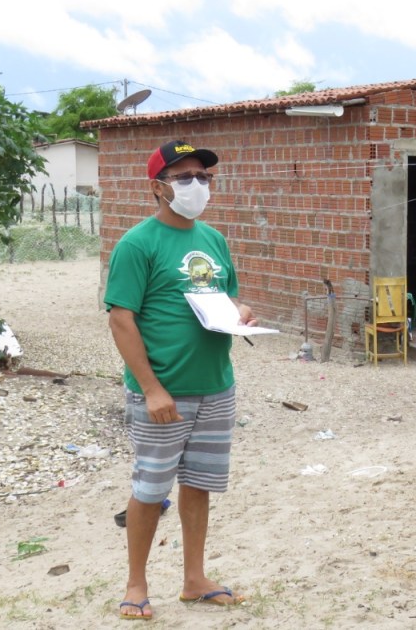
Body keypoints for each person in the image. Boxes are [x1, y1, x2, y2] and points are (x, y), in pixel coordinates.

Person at [105, 140, 255, 620]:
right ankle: (136, 585)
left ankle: (194, 579)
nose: (197, 185)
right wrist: (150, 388)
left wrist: (243, 312)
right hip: (163, 391)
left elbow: (228, 299)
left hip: (215, 384)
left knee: (199, 484)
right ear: (158, 187)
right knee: (151, 487)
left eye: (204, 177)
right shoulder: (137, 244)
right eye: (184, 177)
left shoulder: (213, 239)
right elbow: (121, 320)